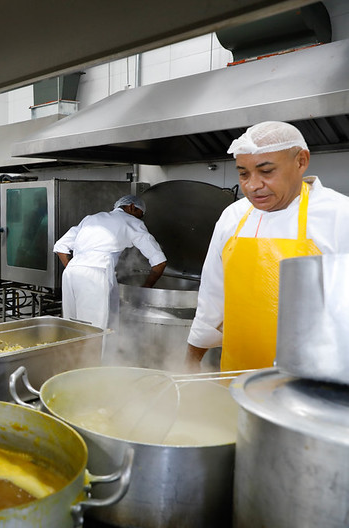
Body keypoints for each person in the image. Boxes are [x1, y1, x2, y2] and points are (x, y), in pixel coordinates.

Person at [186, 121, 349, 372]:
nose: (252, 185)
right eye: (243, 173)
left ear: (301, 161)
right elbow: (213, 296)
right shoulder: (234, 216)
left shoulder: (339, 216)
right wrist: (191, 359)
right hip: (237, 373)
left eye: (266, 171)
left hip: (313, 383)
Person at [54, 195, 167, 330]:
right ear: (131, 207)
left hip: (71, 274)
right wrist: (145, 289)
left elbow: (60, 246)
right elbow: (160, 262)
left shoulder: (92, 218)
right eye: (140, 215)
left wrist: (76, 267)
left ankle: (72, 351)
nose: (139, 219)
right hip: (96, 275)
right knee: (93, 329)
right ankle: (93, 351)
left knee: (72, 326)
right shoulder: (132, 221)